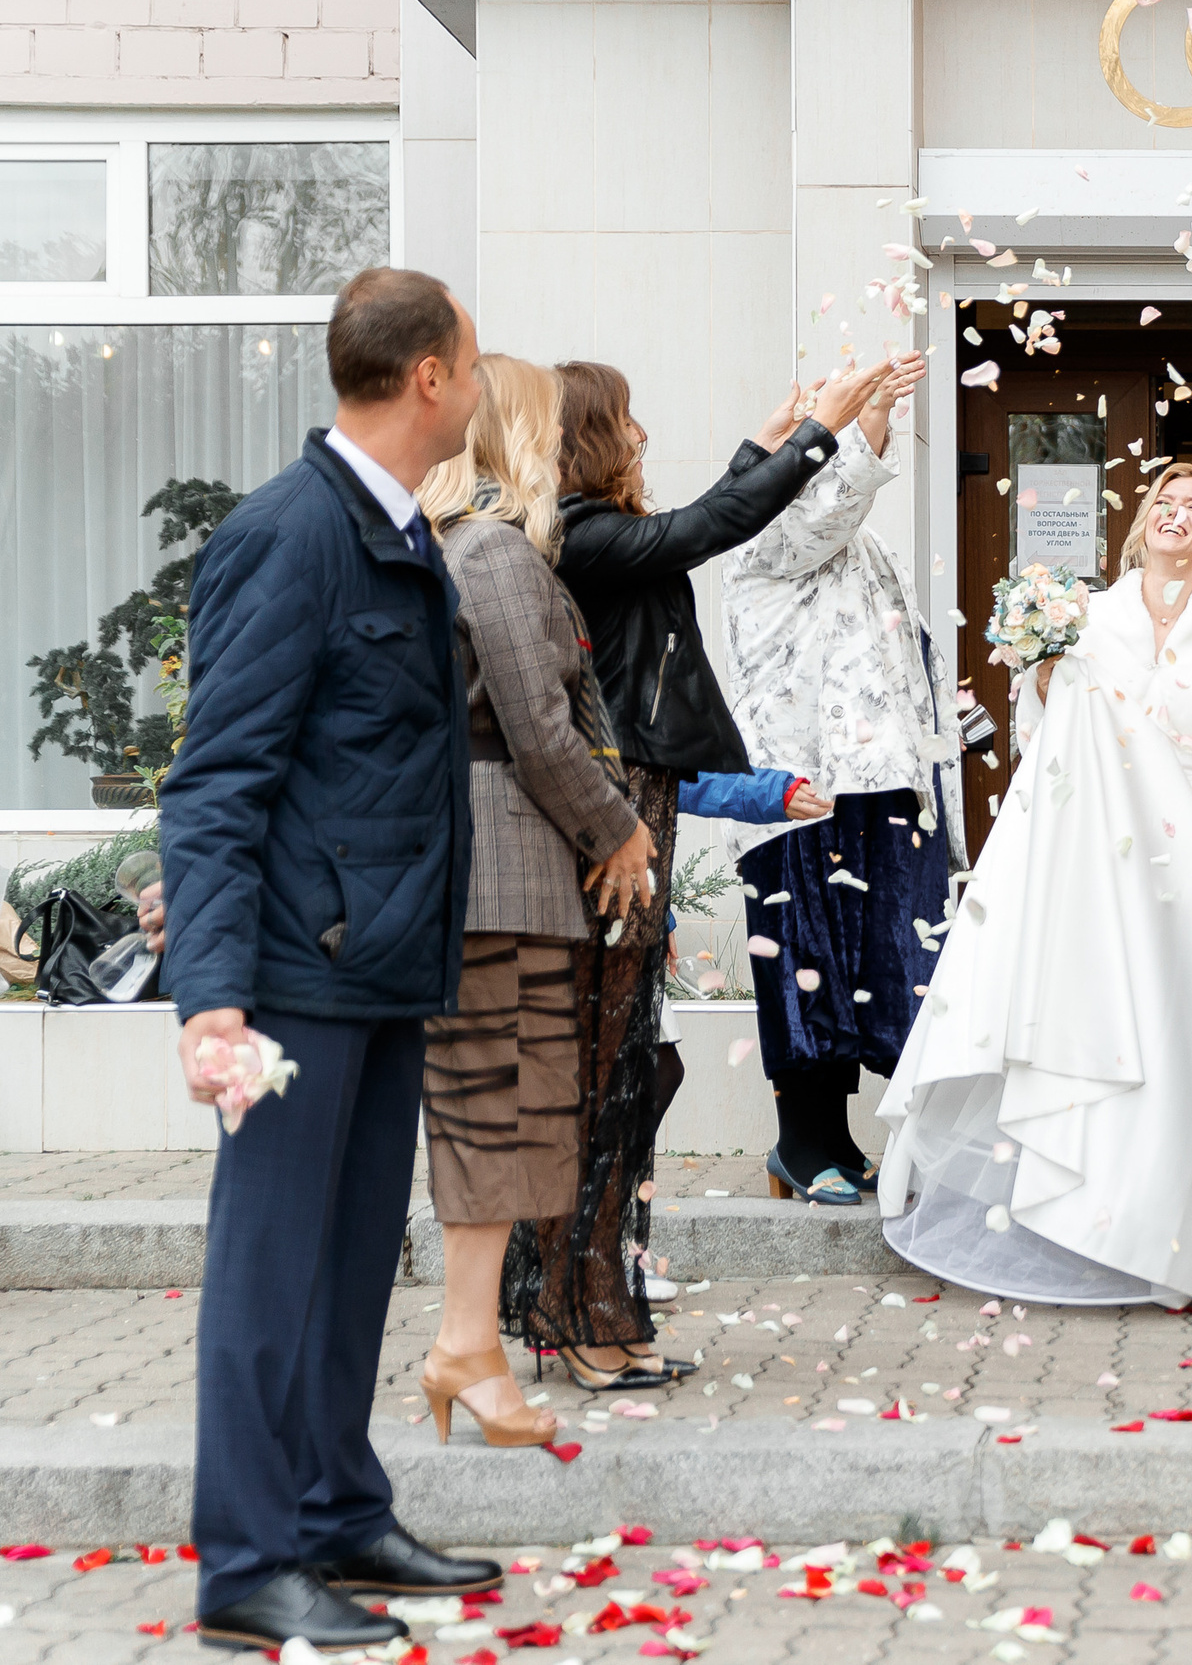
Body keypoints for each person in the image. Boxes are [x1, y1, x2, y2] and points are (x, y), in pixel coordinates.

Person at [158, 266, 499, 1651]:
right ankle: (249, 1558)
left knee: (353, 1260)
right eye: (470, 364)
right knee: (269, 1268)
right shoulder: (289, 536)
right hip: (295, 979)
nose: (479, 385)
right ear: (429, 375)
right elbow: (216, 781)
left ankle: (337, 1507)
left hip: (378, 966)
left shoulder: (401, 528)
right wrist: (215, 1002)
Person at [873, 465, 1192, 1307]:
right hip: (1097, 860)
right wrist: (1038, 678)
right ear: (1141, 524)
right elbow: (1039, 736)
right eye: (1163, 505)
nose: (1177, 516)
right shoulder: (1085, 615)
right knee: (1096, 1025)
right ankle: (1092, 1213)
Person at [503, 356, 885, 1390]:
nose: (639, 434)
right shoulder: (579, 534)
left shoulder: (599, 531)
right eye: (624, 419)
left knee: (629, 1070)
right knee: (606, 1076)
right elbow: (701, 532)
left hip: (649, 805)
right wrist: (817, 437)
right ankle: (574, 1307)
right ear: (585, 437)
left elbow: (694, 520)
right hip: (620, 813)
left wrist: (765, 446)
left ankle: (591, 1301)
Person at [410, 353, 651, 1445]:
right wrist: (620, 829)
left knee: (508, 1125)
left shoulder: (473, 546)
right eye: (550, 432)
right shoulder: (497, 553)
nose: (564, 452)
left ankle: (473, 1348)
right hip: (502, 878)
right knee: (498, 1118)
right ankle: (466, 1347)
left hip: (496, 875)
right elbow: (540, 728)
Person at [722, 352, 965, 1204]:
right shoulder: (757, 537)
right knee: (807, 962)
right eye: (800, 454)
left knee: (881, 960)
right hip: (798, 792)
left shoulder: (867, 552)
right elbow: (823, 513)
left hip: (881, 784)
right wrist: (858, 424)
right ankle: (801, 1142)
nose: (814, 468)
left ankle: (841, 1136)